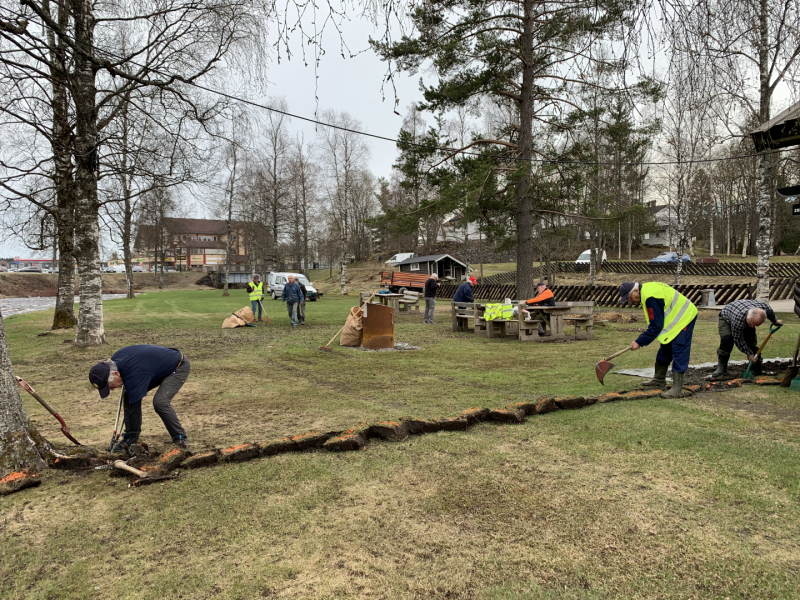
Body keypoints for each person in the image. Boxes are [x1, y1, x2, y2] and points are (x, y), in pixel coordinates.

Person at [88, 345, 190, 451]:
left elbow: (134, 404)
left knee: (160, 402)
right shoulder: (115, 362)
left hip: (177, 366)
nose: (112, 389)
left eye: (110, 385)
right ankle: (129, 437)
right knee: (128, 395)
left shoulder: (135, 373)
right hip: (154, 368)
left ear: (116, 373)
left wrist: (132, 441)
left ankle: (180, 438)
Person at [619, 281, 698, 398]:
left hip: (684, 318)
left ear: (635, 291)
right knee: (665, 347)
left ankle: (677, 388)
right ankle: (659, 379)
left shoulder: (651, 297)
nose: (630, 301)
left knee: (679, 348)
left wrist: (639, 342)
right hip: (674, 320)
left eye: (629, 298)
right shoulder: (647, 291)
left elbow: (656, 326)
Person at [713, 299, 782, 378]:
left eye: (755, 325)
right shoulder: (738, 319)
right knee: (727, 340)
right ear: (747, 317)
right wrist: (749, 354)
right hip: (727, 317)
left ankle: (756, 367)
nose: (752, 327)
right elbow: (738, 339)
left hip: (744, 312)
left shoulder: (764, 308)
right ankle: (721, 368)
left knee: (751, 343)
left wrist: (775, 321)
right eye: (750, 324)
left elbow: (770, 313)